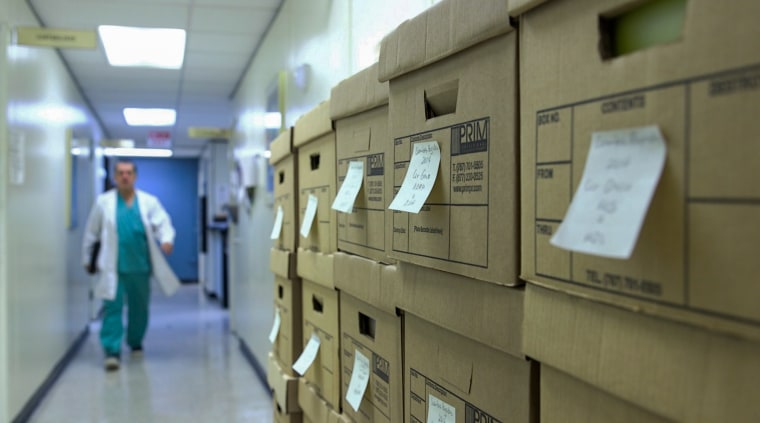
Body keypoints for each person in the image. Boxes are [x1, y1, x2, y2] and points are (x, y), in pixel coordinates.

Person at [82, 159, 180, 371]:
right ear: (115, 177)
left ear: (135, 176)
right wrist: (87, 259)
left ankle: (135, 342)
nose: (125, 176)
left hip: (140, 267)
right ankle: (112, 350)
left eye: (128, 173)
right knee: (112, 308)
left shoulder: (148, 201)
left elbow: (163, 222)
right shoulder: (103, 202)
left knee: (139, 309)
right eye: (120, 173)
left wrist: (167, 239)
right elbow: (92, 232)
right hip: (113, 267)